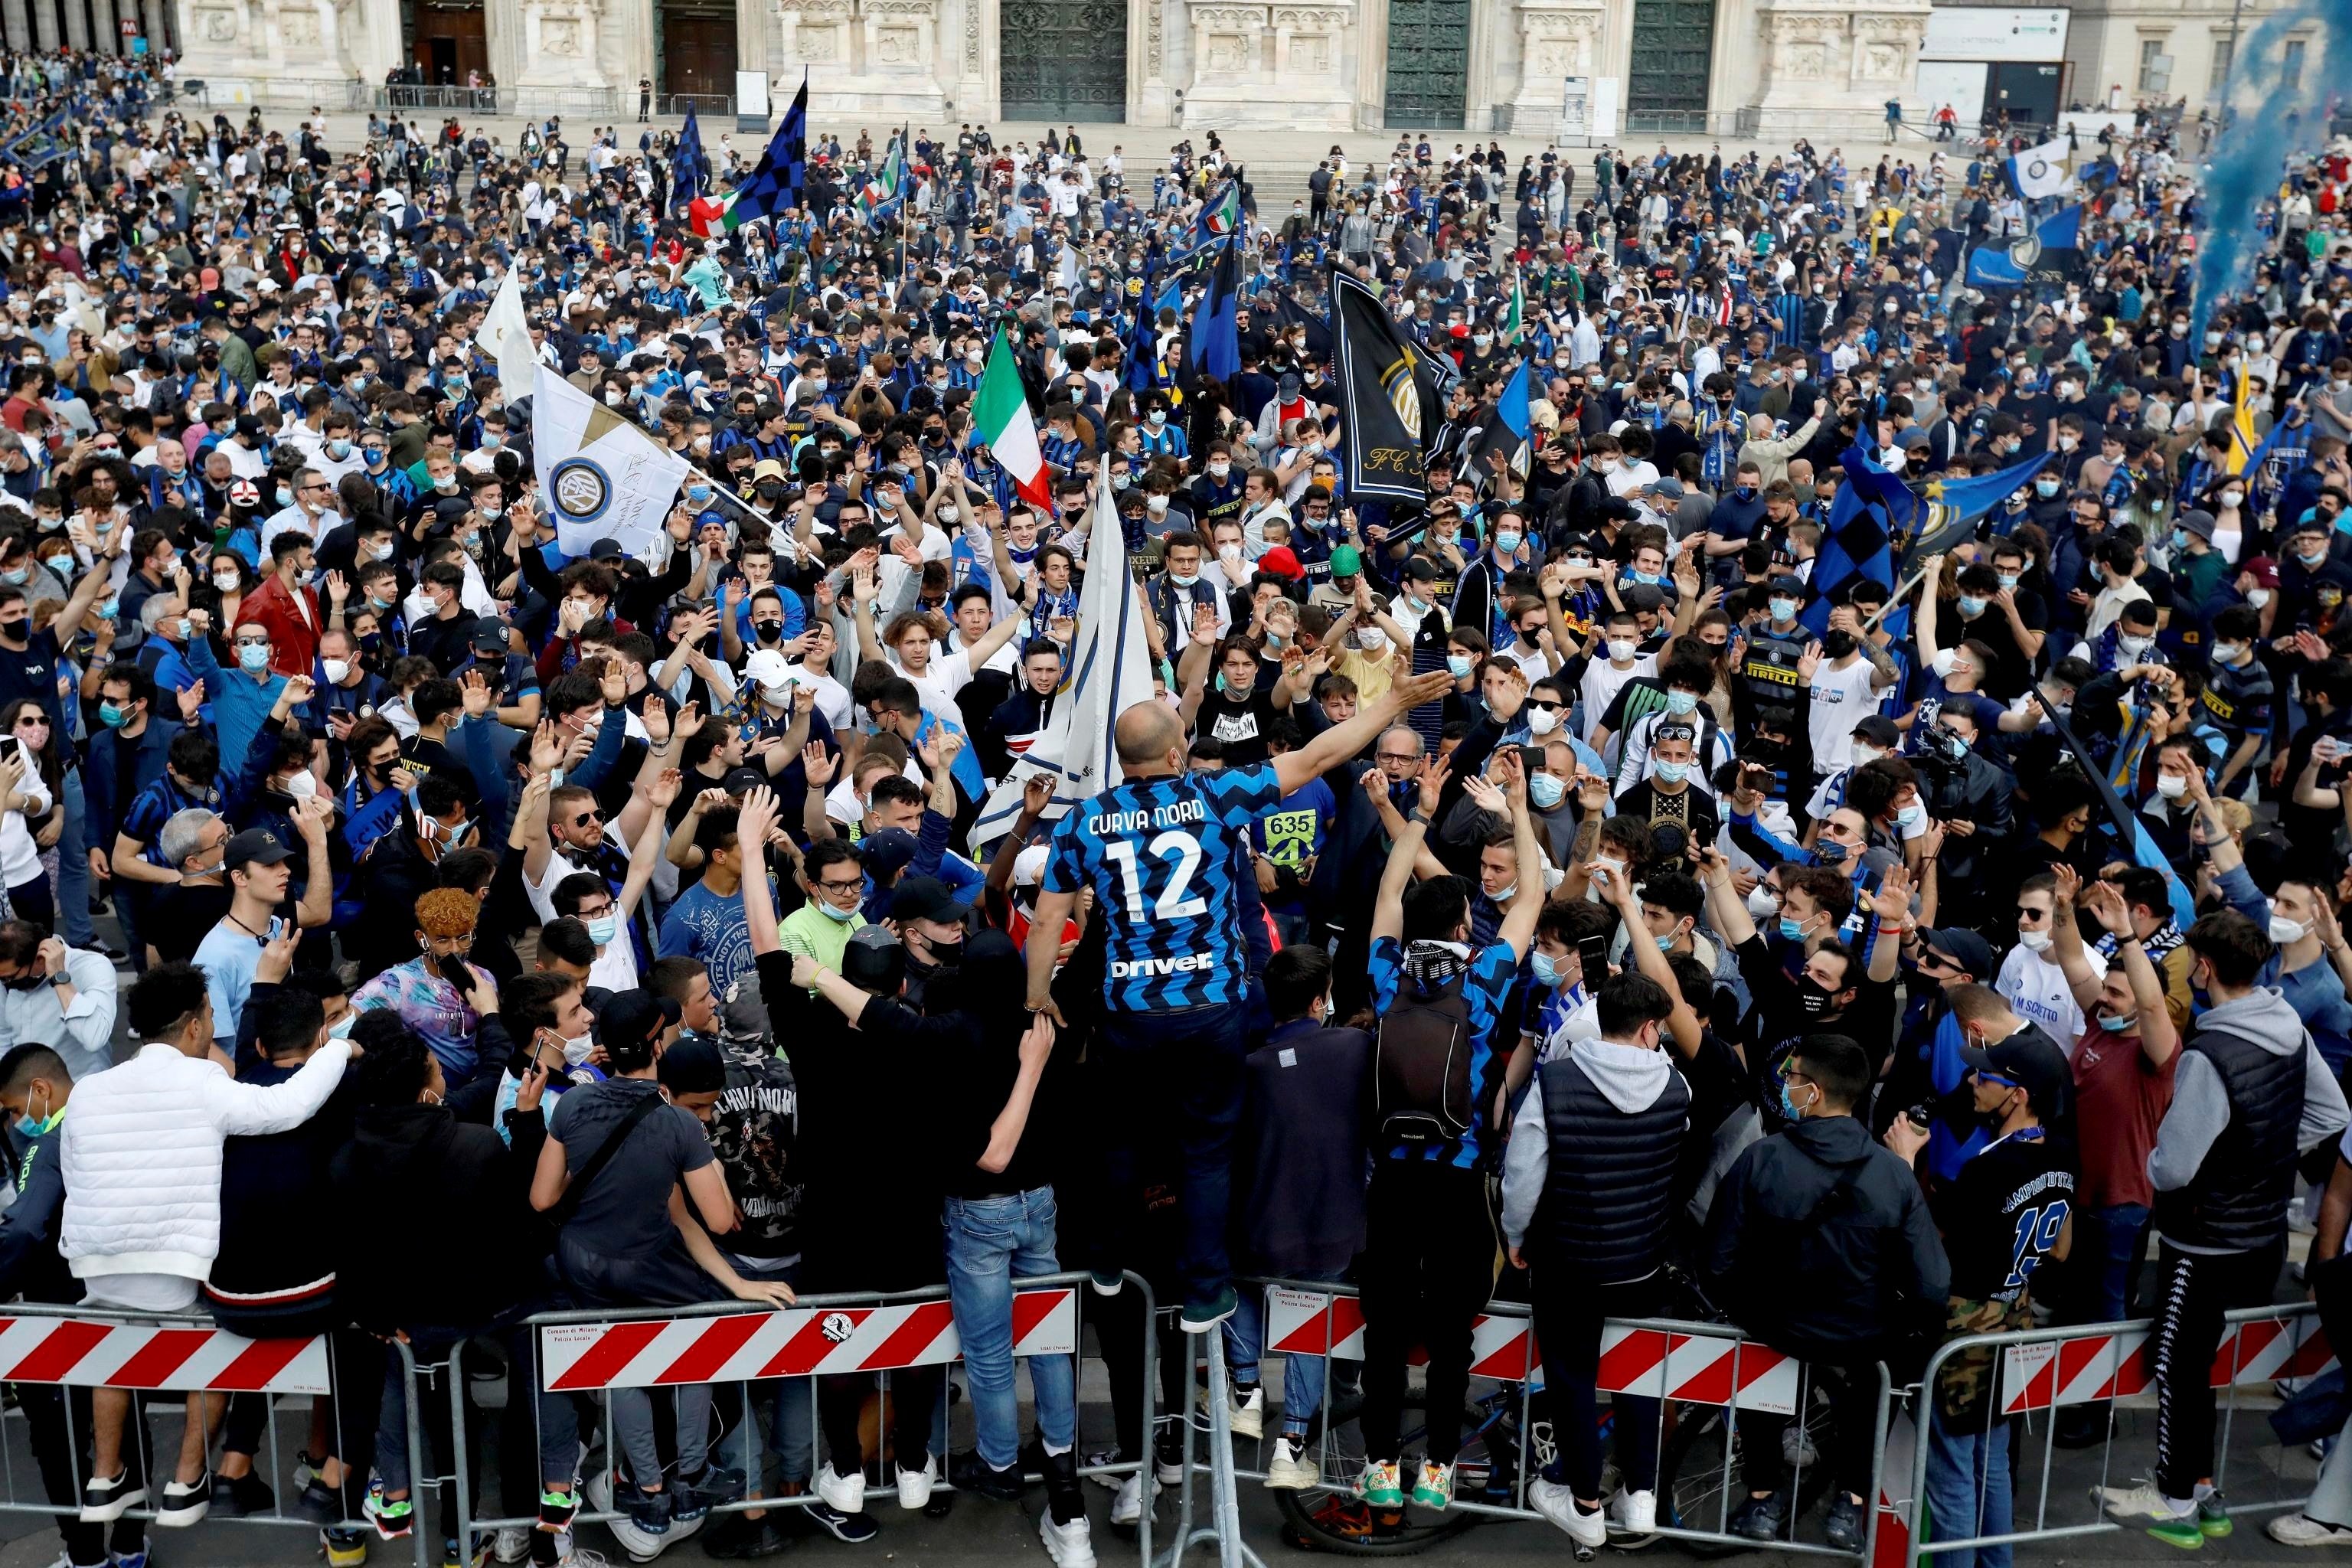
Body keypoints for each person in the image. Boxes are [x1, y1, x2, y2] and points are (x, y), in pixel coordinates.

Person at [1024, 665, 1455, 1330]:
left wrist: (1038, 997)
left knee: (1121, 1139)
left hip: (1129, 1012)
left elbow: (1050, 920)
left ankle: (1105, 1261)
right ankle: (1204, 1293)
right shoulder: (1217, 793)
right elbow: (1321, 754)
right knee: (1206, 1150)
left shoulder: (1086, 820)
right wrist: (1394, 701)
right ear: (1176, 754)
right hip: (1210, 1008)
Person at [59, 957, 354, 1528]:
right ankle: (188, 1481)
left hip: (95, 1262)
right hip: (176, 1268)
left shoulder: (90, 1090)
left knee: (112, 1351)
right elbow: (285, 1107)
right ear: (193, 1026)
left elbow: (75, 1172)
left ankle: (105, 1478)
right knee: (217, 1348)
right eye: (210, 1017)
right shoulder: (205, 1083)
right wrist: (339, 1050)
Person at [2102, 911, 2350, 1546]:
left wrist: (2173, 1163)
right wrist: (2263, 1156)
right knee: (2200, 1366)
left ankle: (2174, 1497)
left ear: (2205, 969)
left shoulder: (2208, 1054)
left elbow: (2176, 1165)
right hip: (2261, 1233)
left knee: (2177, 1365)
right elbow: (2332, 1111)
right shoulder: (2288, 1025)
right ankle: (2203, 1487)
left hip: (2203, 1241)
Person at [1355, 744, 1542, 1513]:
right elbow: (1532, 893)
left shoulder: (1385, 970)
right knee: (1452, 1331)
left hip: (1392, 1175)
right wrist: (1521, 808)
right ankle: (1436, 1468)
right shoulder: (1489, 974)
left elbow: (1392, 882)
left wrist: (1420, 812)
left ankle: (1376, 1466)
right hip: (1460, 1173)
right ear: (1468, 922)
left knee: (1387, 1326)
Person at [1703, 1033, 1949, 1550]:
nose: (1785, 1085)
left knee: (1761, 1396)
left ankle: (1762, 1500)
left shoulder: (1761, 1158)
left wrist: (1749, 1309)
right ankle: (1851, 1506)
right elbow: (1932, 1283)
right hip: (1862, 1332)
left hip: (1775, 1324)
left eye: (1791, 1078)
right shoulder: (1893, 1175)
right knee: (1867, 1402)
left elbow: (1718, 1260)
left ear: (1812, 1092)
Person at [1506, 970, 1690, 1548]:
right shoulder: (1677, 1088)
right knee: (1640, 1376)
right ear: (1648, 1029)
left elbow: (1523, 1172)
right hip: (1642, 1260)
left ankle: (1584, 1501)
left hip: (1566, 1265)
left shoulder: (1555, 1081)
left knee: (1571, 1378)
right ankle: (1641, 1496)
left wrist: (1515, 1235)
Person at [1884, 1023, 2074, 1568]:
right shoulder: (2060, 1151)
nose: (1971, 1080)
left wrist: (1905, 1161)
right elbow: (2061, 1250)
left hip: (1965, 1337)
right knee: (1991, 1462)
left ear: (2018, 1095)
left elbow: (1929, 1245)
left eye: (1984, 1075)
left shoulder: (1989, 1168)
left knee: (1950, 1477)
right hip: (2014, 1320)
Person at [1229, 943, 1374, 1489]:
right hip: (1332, 1230)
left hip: (1259, 1229)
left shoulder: (1249, 1068)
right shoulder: (1355, 1049)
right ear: (1321, 1000)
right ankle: (1291, 1448)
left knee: (1234, 1283)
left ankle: (1246, 1389)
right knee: (1312, 1330)